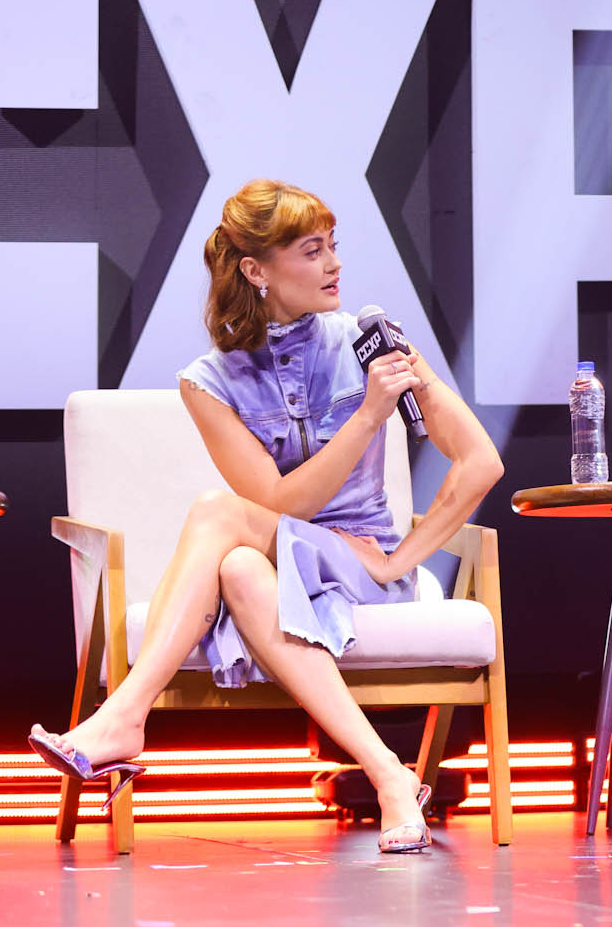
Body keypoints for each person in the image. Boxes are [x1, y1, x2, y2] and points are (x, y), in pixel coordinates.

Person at [29, 179, 504, 853]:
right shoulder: (208, 383)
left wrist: (401, 558)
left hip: (362, 569)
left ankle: (125, 715)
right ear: (256, 271)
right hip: (285, 564)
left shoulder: (372, 345)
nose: (334, 264)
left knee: (217, 514)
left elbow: (481, 461)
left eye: (332, 246)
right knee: (240, 569)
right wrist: (367, 417)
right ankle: (390, 776)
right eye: (312, 251)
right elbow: (282, 508)